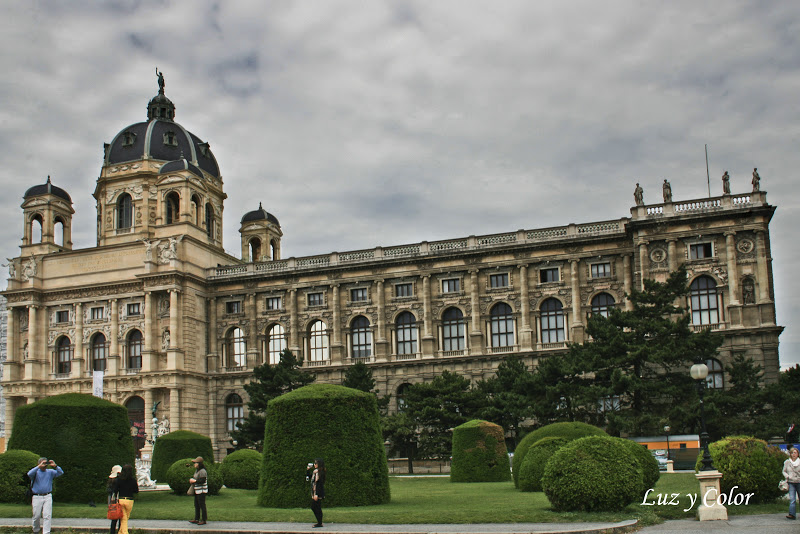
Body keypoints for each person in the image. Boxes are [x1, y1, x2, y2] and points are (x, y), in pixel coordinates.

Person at [27, 458, 64, 534]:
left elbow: (60, 472)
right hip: (37, 496)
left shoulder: (50, 472)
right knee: (36, 516)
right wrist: (38, 466)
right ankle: (36, 530)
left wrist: (55, 466)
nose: (44, 465)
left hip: (47, 496)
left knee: (47, 515)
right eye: (43, 463)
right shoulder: (35, 472)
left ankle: (46, 532)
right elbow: (29, 474)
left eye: (45, 464)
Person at [111, 464, 138, 534]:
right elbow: (136, 491)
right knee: (125, 518)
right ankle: (123, 532)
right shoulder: (133, 480)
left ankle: (122, 532)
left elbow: (115, 490)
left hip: (121, 500)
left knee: (124, 519)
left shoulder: (119, 480)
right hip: (130, 500)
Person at [189, 457, 208, 525]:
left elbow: (202, 481)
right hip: (197, 490)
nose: (194, 464)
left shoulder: (202, 471)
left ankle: (204, 519)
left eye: (195, 463)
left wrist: (194, 481)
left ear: (199, 464)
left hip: (201, 491)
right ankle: (196, 519)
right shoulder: (197, 470)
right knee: (196, 505)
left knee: (202, 505)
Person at [784, 447, 800, 520]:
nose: (793, 454)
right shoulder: (787, 462)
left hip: (799, 481)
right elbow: (784, 471)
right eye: (792, 453)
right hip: (791, 482)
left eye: (795, 453)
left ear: (798, 454)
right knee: (792, 499)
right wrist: (787, 476)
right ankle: (792, 514)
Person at [310, 458, 326, 528]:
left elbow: (319, 484)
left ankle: (320, 523)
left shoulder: (320, 473)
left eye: (315, 463)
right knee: (315, 506)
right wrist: (308, 470)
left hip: (318, 492)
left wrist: (316, 494)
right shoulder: (315, 472)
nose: (314, 465)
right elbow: (310, 479)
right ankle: (319, 522)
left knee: (315, 506)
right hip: (315, 491)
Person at [107, 465, 122, 534]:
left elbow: (109, 491)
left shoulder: (110, 481)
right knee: (120, 517)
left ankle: (112, 532)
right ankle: (119, 531)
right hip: (117, 499)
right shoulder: (118, 480)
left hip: (112, 500)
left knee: (114, 518)